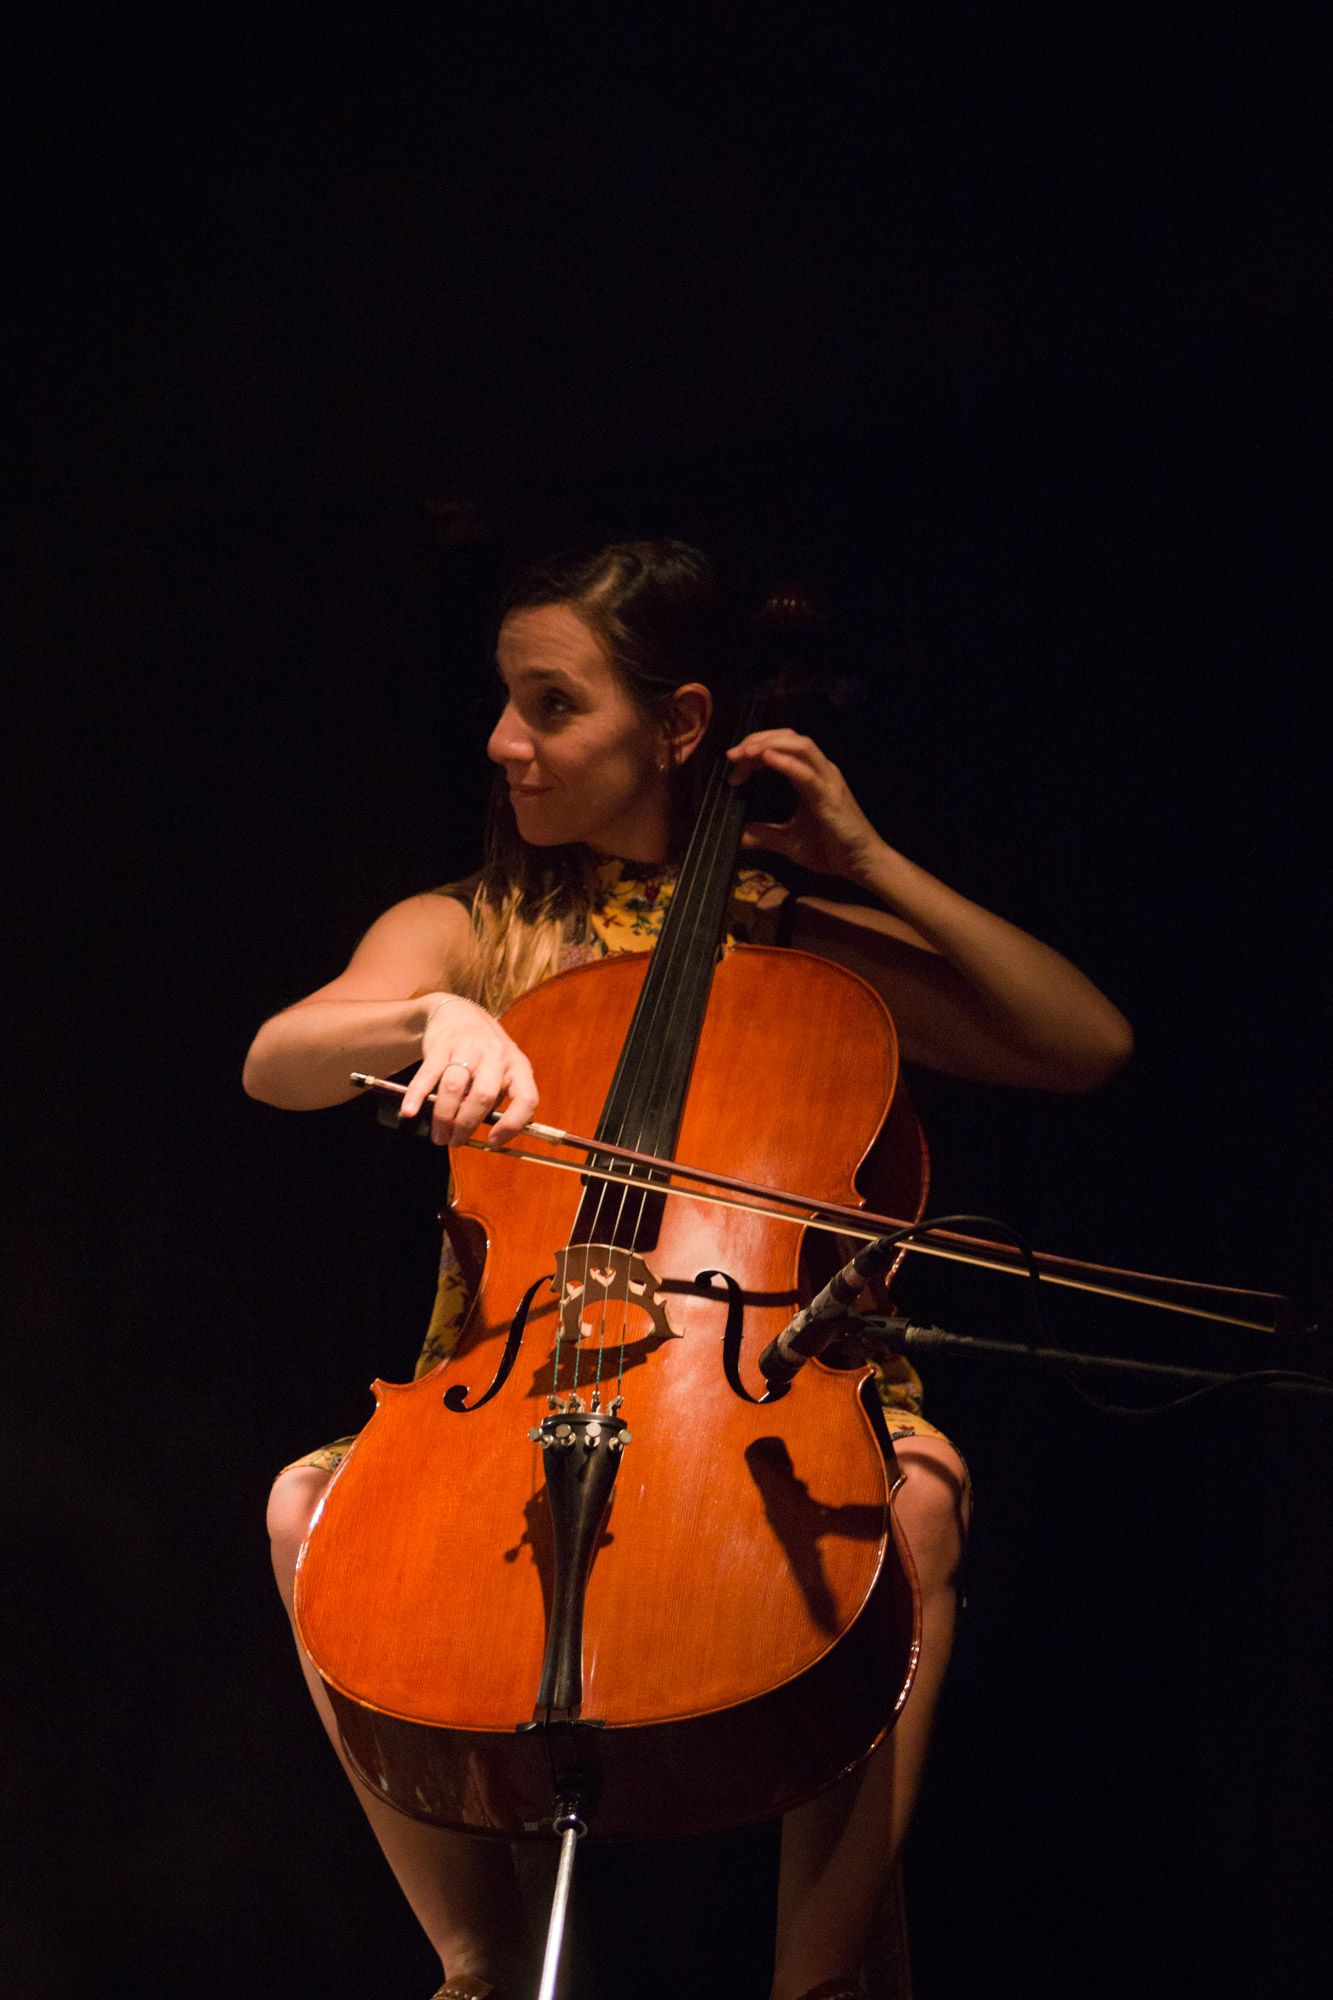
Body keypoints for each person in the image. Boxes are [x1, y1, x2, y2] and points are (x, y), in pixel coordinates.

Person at [245, 539, 1132, 2000]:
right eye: (503, 700)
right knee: (303, 1508)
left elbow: (1078, 1045)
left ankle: (820, 1979)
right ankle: (472, 1964)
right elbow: (279, 1058)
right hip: (511, 1385)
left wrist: (870, 865)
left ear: (677, 725)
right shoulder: (471, 928)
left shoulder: (795, 952)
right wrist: (422, 1026)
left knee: (908, 1501)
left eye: (550, 704)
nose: (503, 740)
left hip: (764, 1392)